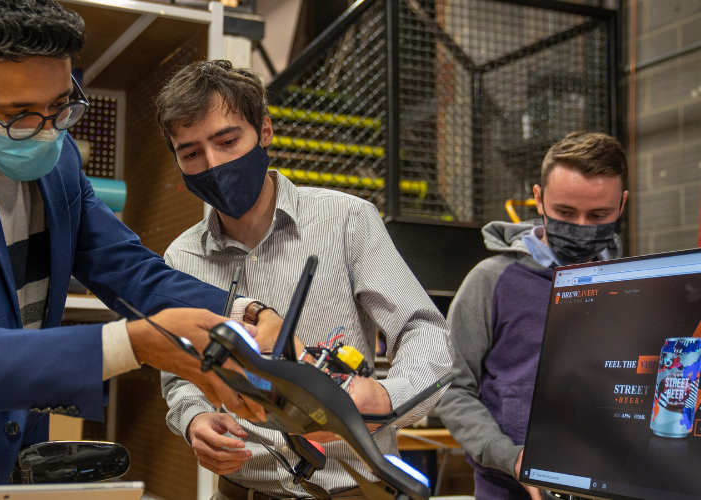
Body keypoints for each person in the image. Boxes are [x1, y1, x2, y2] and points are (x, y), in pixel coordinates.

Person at [0, 1, 281, 497]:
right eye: (20, 115)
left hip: (13, 474)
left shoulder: (57, 166)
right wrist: (133, 343)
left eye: (62, 106)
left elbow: (129, 270)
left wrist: (240, 312)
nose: (46, 131)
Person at [156, 60, 454, 500]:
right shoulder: (181, 257)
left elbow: (423, 328)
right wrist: (194, 420)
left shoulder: (348, 220)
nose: (213, 163)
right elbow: (180, 374)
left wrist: (388, 398)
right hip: (240, 490)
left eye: (227, 140)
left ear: (266, 131)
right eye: (191, 153)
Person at [435, 132, 629, 500]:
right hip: (508, 491)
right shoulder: (492, 281)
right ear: (538, 198)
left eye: (599, 215)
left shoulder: (636, 285)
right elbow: (451, 388)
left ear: (622, 204)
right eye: (566, 213)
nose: (582, 226)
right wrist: (509, 457)